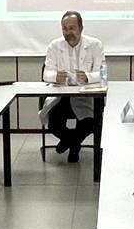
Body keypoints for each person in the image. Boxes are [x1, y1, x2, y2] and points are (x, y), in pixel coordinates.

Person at [41, 10, 105, 162]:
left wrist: (87, 77)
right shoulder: (54, 46)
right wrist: (55, 76)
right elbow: (46, 74)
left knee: (91, 122)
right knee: (53, 123)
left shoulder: (95, 45)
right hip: (62, 97)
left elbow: (102, 73)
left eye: (72, 28)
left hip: (86, 96)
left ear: (81, 29)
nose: (68, 32)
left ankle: (72, 143)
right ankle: (73, 142)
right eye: (65, 28)